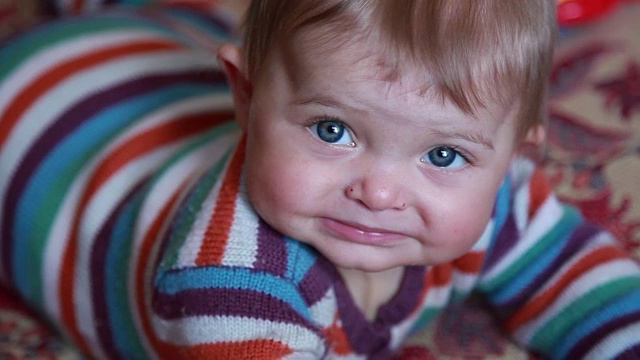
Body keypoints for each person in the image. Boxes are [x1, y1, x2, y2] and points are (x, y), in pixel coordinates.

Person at [1, 0, 640, 359]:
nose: (381, 194)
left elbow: (570, 269)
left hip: (153, 58)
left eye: (442, 156)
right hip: (29, 117)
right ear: (245, 98)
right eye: (333, 131)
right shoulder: (225, 285)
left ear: (512, 157)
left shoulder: (495, 194)